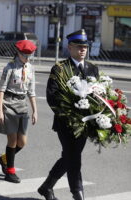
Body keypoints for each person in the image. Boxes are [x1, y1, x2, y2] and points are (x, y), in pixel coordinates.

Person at [37, 29, 99, 200]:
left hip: (85, 124)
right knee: (74, 158)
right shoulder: (60, 68)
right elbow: (52, 96)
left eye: (85, 46)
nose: (83, 50)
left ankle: (46, 187)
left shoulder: (93, 68)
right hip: (66, 123)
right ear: (69, 47)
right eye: (79, 46)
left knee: (69, 157)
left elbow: (99, 95)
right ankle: (78, 195)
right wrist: (69, 116)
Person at [0, 40, 38, 183]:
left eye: (30, 55)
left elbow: (31, 91)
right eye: (25, 55)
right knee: (12, 141)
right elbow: (1, 89)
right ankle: (10, 171)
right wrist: (0, 111)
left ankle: (4, 159)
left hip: (22, 104)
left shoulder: (31, 68)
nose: (27, 57)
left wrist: (35, 111)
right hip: (9, 103)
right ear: (18, 53)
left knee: (22, 142)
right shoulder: (10, 67)